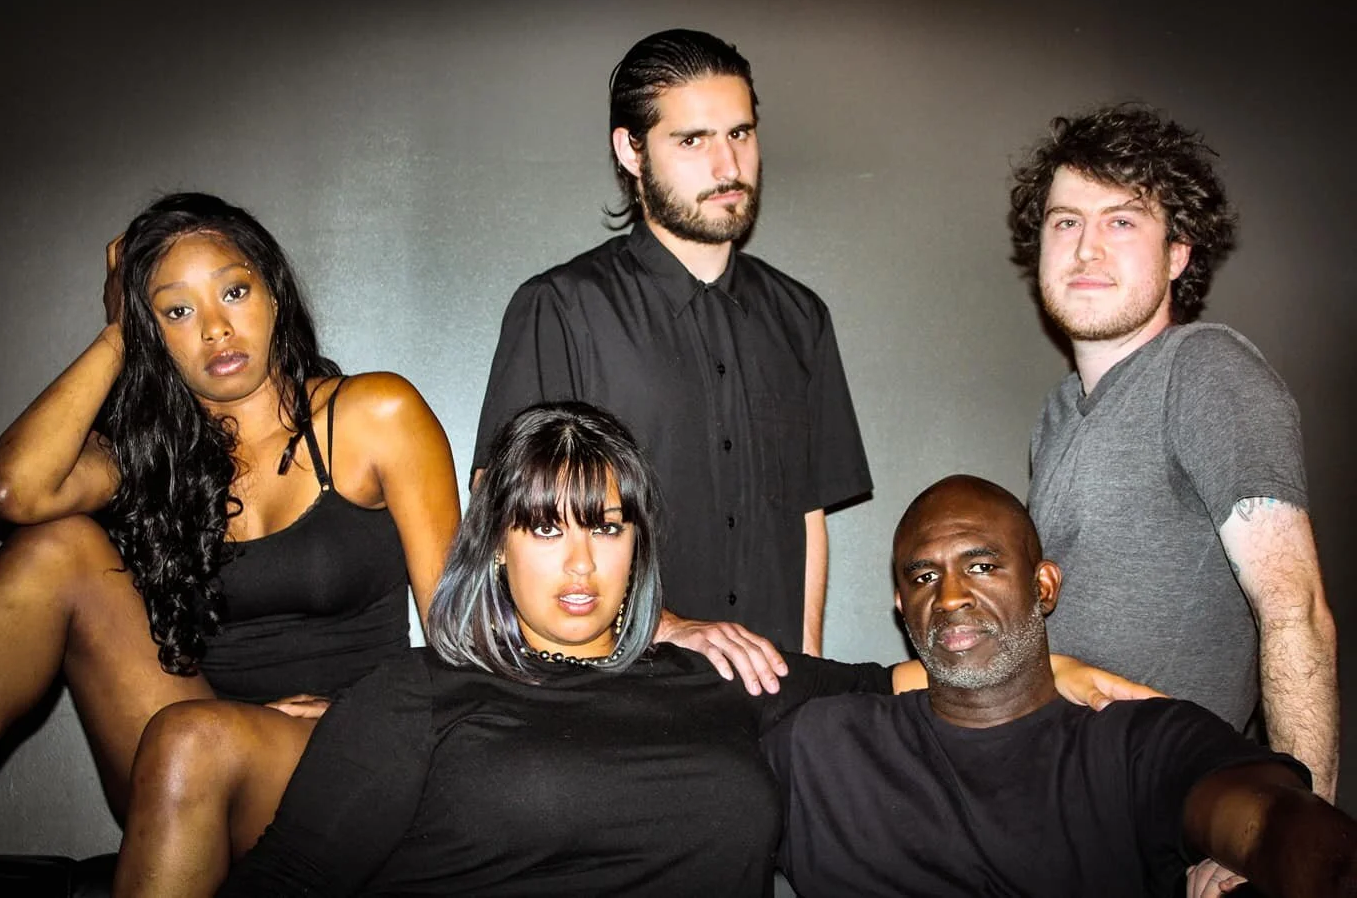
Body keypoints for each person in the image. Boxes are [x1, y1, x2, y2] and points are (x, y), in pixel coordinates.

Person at [216, 405, 1142, 897]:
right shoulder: (414, 694)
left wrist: (1048, 667)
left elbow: (888, 679)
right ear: (497, 544)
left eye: (606, 525)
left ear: (638, 543)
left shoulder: (715, 675)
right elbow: (285, 882)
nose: (581, 563)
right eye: (545, 528)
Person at [0, 193, 460, 859]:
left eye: (234, 292)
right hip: (183, 755)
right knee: (54, 548)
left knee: (193, 737)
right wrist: (118, 333)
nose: (215, 329)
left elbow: (460, 637)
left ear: (273, 294)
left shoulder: (373, 414)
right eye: (177, 311)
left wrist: (370, 717)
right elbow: (15, 490)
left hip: (346, 753)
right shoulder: (146, 454)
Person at [473, 28, 872, 670]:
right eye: (692, 140)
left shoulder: (802, 319)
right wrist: (664, 627)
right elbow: (506, 515)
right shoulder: (561, 308)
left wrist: (808, 670)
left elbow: (807, 517)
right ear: (631, 151)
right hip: (620, 687)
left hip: (770, 692)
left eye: (739, 134)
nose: (727, 166)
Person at [766, 475, 1357, 898]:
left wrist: (1270, 864)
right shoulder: (823, 747)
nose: (949, 597)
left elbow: (1277, 826)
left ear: (1043, 586)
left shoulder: (1139, 742)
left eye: (981, 566)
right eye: (924, 577)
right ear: (902, 606)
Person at [1008, 104, 1338, 799]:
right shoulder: (1056, 413)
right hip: (1051, 790)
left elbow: (1294, 608)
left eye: (1121, 222)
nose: (1086, 249)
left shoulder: (1205, 368)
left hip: (1160, 800)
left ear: (1178, 251)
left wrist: (1291, 829)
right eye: (1066, 222)